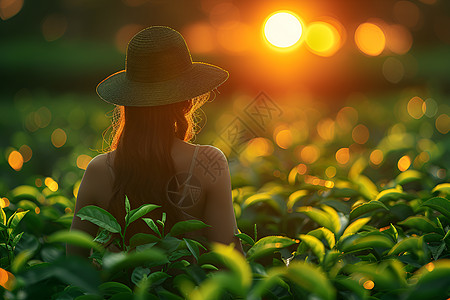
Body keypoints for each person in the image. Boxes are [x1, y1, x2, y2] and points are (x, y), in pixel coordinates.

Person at [67, 26, 243, 258]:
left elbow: (73, 265)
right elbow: (229, 258)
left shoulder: (98, 170)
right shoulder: (209, 162)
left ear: (128, 101)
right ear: (187, 102)